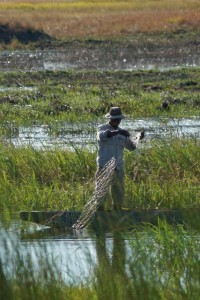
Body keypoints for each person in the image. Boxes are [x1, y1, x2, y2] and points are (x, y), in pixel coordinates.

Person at [96, 106, 144, 210]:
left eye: (118, 119)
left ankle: (117, 213)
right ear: (110, 119)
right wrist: (117, 132)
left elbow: (131, 147)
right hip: (104, 166)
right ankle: (100, 215)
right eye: (114, 119)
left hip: (118, 167)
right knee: (101, 194)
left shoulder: (123, 132)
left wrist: (138, 137)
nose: (116, 121)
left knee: (118, 194)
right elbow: (102, 136)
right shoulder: (102, 128)